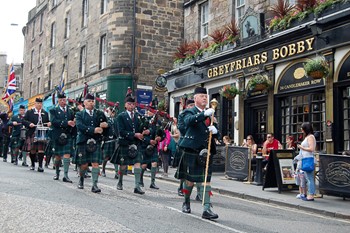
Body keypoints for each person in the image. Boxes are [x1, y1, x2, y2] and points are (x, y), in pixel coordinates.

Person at [176, 86, 219, 220]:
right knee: (189, 182)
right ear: (195, 99)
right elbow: (188, 122)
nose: (205, 98)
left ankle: (207, 208)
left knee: (206, 181)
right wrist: (204, 114)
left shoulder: (210, 115)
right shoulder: (188, 113)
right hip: (192, 151)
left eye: (206, 96)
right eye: (202, 96)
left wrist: (216, 131)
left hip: (206, 153)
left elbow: (213, 133)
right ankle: (186, 201)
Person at [111, 95, 145, 194]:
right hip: (125, 143)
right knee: (123, 166)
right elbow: (121, 131)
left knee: (137, 163)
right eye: (129, 104)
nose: (131, 106)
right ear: (125, 105)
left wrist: (144, 132)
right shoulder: (121, 116)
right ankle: (120, 181)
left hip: (135, 144)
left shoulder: (138, 116)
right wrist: (134, 134)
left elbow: (140, 129)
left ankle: (137, 186)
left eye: (133, 104)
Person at [74, 93, 108, 193]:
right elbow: (80, 126)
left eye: (93, 101)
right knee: (84, 165)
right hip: (83, 141)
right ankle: (81, 179)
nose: (91, 103)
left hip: (96, 141)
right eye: (89, 101)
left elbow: (106, 125)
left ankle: (94, 185)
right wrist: (93, 130)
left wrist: (106, 125)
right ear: (84, 103)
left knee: (95, 163)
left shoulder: (99, 113)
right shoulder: (79, 114)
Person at [49, 92, 76, 183]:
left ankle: (66, 175)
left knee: (67, 155)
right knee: (57, 156)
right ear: (58, 100)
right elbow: (53, 121)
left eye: (64, 100)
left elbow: (72, 121)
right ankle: (57, 173)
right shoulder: (53, 110)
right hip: (57, 135)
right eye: (61, 100)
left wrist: (73, 122)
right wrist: (66, 123)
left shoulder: (70, 110)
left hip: (67, 135)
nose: (63, 101)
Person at [22, 98, 51, 172]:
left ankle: (40, 166)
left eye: (41, 104)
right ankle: (32, 164)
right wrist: (29, 124)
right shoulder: (30, 112)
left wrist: (48, 123)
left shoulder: (45, 113)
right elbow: (23, 121)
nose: (39, 105)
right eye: (38, 103)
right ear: (35, 104)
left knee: (41, 150)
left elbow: (48, 122)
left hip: (42, 133)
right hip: (32, 132)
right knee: (33, 149)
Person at [139, 109, 162, 189]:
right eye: (150, 111)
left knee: (154, 163)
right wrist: (149, 141)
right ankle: (140, 179)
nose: (151, 113)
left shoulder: (158, 123)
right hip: (145, 146)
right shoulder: (144, 121)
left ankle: (152, 182)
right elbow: (140, 134)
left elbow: (162, 134)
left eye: (153, 111)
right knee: (144, 165)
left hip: (154, 147)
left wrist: (160, 138)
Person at [296, 122, 316, 201]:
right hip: (305, 159)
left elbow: (311, 149)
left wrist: (301, 147)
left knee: (310, 178)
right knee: (306, 178)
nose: (301, 129)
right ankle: (307, 194)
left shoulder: (310, 137)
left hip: (308, 159)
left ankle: (311, 195)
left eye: (302, 128)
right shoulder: (307, 137)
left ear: (305, 129)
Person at [101, 107, 120, 179]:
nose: (112, 113)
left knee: (115, 157)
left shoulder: (116, 120)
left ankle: (116, 172)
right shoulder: (106, 120)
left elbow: (118, 129)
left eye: (113, 112)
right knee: (106, 158)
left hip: (114, 141)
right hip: (107, 140)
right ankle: (103, 170)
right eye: (110, 111)